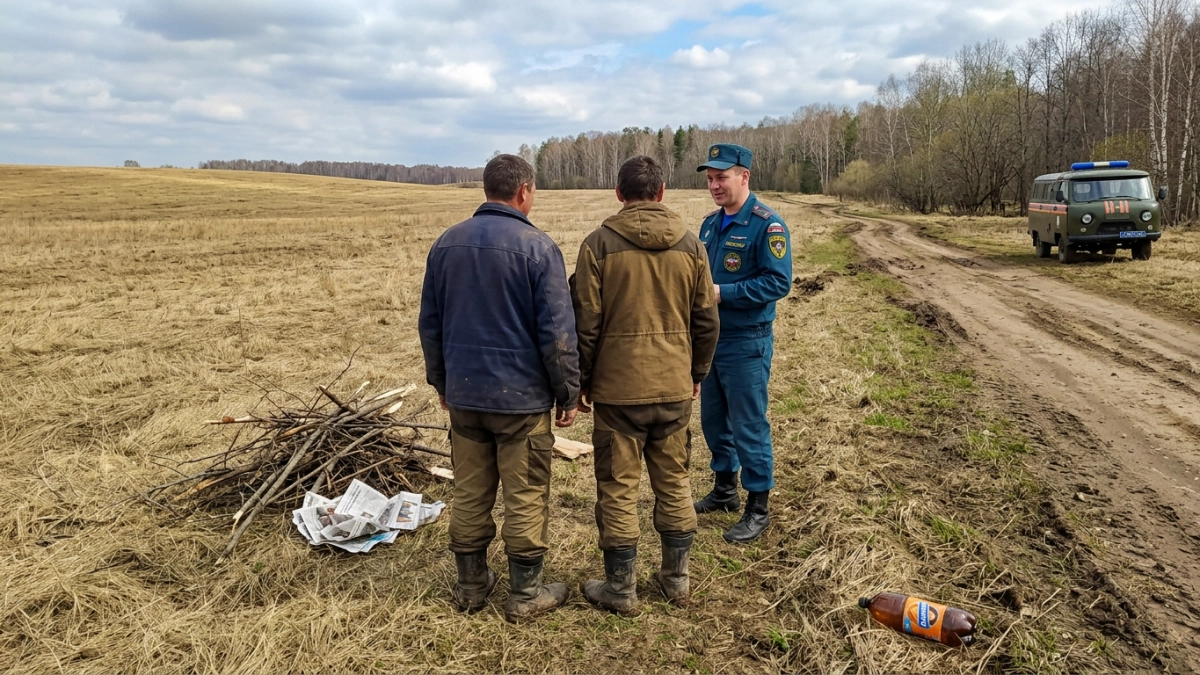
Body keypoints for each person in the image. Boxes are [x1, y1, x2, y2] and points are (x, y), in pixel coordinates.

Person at [418, 154, 580, 622]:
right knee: (525, 492)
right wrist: (567, 394)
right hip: (521, 402)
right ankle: (525, 595)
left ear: (487, 190)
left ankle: (471, 587)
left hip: (466, 397)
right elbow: (558, 334)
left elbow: (430, 324)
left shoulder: (446, 244)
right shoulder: (538, 248)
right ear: (524, 191)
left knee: (470, 491)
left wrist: (443, 384)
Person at [571, 155, 720, 613]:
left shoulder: (597, 245)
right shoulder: (693, 246)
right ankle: (677, 580)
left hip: (618, 393)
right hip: (674, 387)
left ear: (619, 194)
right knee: (674, 482)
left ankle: (621, 589)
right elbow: (707, 321)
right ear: (661, 193)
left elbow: (586, 325)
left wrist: (584, 381)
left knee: (618, 487)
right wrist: (696, 374)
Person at [693, 143, 792, 544]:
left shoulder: (767, 225)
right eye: (710, 179)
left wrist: (724, 293)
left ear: (744, 176)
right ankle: (724, 490)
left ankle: (758, 506)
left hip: (746, 340)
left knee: (749, 424)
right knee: (714, 421)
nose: (715, 185)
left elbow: (778, 282)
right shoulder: (708, 225)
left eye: (722, 177)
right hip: (711, 340)